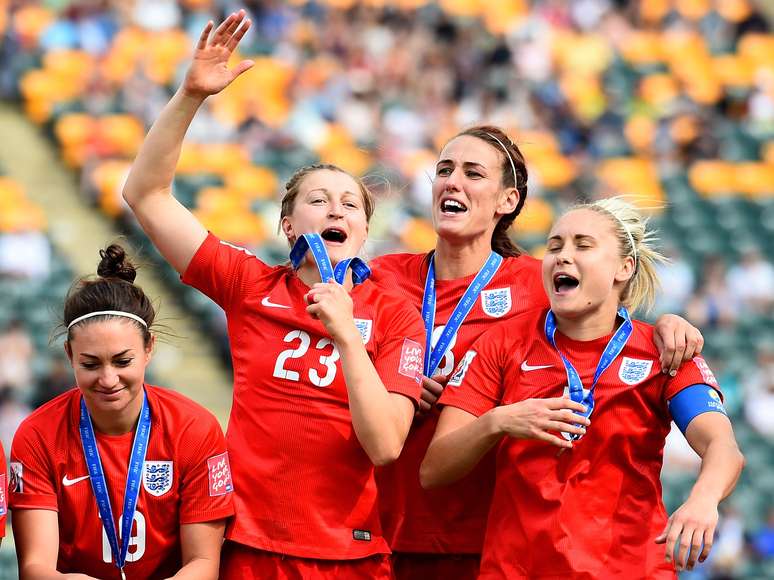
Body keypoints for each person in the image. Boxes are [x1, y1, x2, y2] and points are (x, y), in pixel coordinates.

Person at [121, 11, 425, 579]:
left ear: (362, 231)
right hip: (248, 545)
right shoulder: (249, 285)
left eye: (350, 204)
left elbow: (385, 446)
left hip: (349, 555)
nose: (336, 209)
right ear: (288, 226)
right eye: (318, 199)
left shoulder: (396, 316)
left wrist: (347, 334)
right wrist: (190, 95)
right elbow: (146, 194)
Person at [370, 125, 705, 579]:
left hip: (492, 540)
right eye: (445, 170)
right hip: (379, 523)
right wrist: (387, 384)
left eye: (473, 173)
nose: (452, 181)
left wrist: (669, 324)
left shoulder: (540, 282)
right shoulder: (380, 278)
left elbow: (609, 322)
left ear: (507, 201)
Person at [421, 198, 745, 578]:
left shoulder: (665, 350)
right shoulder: (502, 343)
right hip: (517, 570)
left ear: (624, 268)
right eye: (555, 245)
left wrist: (703, 500)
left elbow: (723, 447)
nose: (562, 255)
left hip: (631, 569)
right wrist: (499, 421)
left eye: (582, 245)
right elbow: (434, 469)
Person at [9, 244, 234, 579]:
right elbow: (36, 569)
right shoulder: (38, 435)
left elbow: (203, 564)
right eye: (90, 363)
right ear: (70, 355)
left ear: (149, 349)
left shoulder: (195, 429)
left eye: (122, 360)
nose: (108, 379)